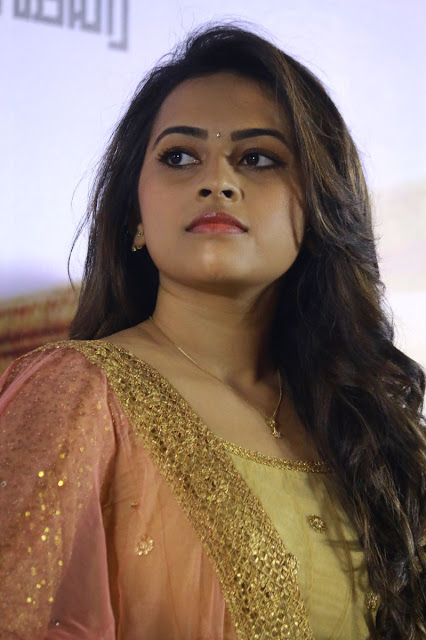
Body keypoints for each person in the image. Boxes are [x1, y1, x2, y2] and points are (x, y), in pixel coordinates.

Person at [0, 24, 424, 640]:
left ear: (317, 207)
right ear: (135, 211)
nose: (217, 181)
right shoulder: (78, 395)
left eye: (258, 158)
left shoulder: (370, 430)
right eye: (179, 156)